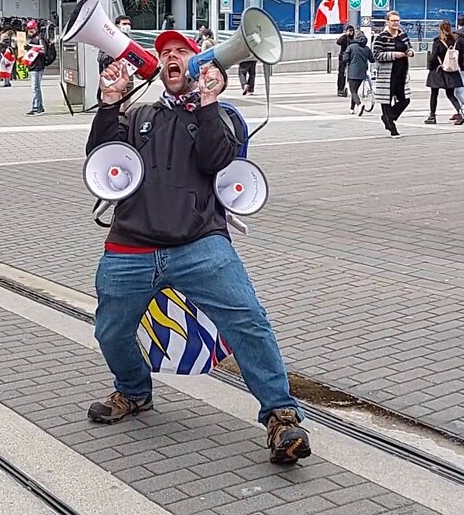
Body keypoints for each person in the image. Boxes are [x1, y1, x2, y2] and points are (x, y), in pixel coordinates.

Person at [85, 30, 311, 465]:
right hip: (131, 245)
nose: (171, 58)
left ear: (199, 62)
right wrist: (111, 102)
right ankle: (134, 392)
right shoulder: (139, 114)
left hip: (200, 244)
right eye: (164, 53)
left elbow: (216, 162)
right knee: (110, 330)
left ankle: (281, 417)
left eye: (181, 52)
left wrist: (207, 103)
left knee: (248, 320)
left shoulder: (220, 115)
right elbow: (101, 158)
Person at [373, 11, 412, 138]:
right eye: (393, 20)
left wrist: (410, 52)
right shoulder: (381, 37)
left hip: (401, 72)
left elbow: (409, 47)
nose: (396, 23)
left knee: (405, 100)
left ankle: (389, 117)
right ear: (387, 22)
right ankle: (392, 128)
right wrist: (394, 55)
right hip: (387, 74)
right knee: (386, 100)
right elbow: (377, 55)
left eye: (397, 20)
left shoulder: (402, 34)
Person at [425, 22, 464, 125]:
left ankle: (432, 116)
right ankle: (461, 113)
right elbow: (461, 56)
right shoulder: (456, 41)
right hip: (452, 70)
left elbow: (434, 56)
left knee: (434, 93)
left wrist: (430, 66)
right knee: (451, 94)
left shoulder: (438, 41)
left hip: (439, 70)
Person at [344, 32, 373, 115]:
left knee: (353, 91)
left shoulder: (351, 47)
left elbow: (345, 58)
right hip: (362, 73)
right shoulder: (367, 48)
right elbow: (372, 59)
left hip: (352, 72)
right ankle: (351, 109)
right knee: (355, 90)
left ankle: (359, 104)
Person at [26, 25, 52, 115]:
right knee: (35, 87)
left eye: (32, 29)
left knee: (35, 87)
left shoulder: (39, 39)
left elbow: (44, 52)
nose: (30, 31)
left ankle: (37, 107)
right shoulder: (31, 39)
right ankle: (38, 106)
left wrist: (32, 49)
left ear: (35, 29)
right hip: (33, 65)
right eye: (29, 29)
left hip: (37, 66)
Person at [336, 25, 355, 97]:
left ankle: (350, 89)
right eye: (349, 31)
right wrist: (345, 35)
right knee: (342, 73)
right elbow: (338, 42)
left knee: (351, 74)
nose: (350, 32)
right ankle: (340, 89)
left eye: (351, 31)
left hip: (351, 58)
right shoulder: (344, 38)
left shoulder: (353, 39)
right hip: (343, 57)